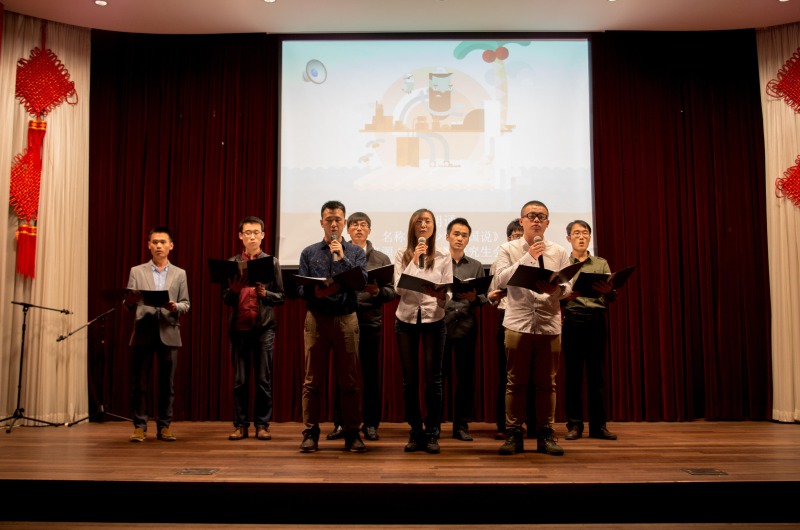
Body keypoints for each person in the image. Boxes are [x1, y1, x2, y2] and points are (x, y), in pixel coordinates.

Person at [493, 201, 572, 456]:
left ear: (547, 223)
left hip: (549, 324)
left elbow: (568, 287)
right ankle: (514, 434)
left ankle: (545, 434)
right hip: (518, 323)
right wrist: (529, 257)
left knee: (547, 384)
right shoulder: (508, 249)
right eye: (531, 216)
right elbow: (500, 280)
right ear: (522, 221)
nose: (536, 220)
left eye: (541, 216)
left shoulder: (559, 251)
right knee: (515, 383)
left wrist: (557, 289)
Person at [297, 200, 368, 453]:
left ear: (345, 223)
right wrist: (317, 292)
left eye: (338, 219)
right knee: (312, 380)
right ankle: (310, 432)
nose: (334, 224)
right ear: (321, 223)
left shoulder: (355, 252)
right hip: (317, 318)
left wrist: (342, 257)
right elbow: (300, 289)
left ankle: (352, 433)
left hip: (346, 318)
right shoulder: (309, 252)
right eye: (329, 220)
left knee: (349, 380)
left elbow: (361, 282)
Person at [327, 212, 396, 442]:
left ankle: (371, 424)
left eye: (363, 225)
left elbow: (391, 292)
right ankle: (341, 423)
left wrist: (377, 292)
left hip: (369, 321)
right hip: (344, 317)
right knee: (343, 373)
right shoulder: (338, 252)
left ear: (369, 230)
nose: (359, 228)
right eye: (355, 225)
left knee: (370, 374)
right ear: (348, 229)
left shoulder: (381, 258)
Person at [393, 209, 453, 454]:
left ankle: (432, 431)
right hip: (406, 318)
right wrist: (414, 260)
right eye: (419, 221)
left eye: (428, 221)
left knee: (433, 379)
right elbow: (399, 289)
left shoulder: (443, 255)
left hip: (434, 318)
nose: (424, 225)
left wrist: (441, 296)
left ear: (434, 226)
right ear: (413, 227)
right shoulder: (401, 254)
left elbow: (448, 291)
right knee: (409, 380)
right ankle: (415, 430)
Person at [124, 226, 190, 443]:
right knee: (140, 384)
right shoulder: (137, 271)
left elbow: (186, 304)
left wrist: (175, 307)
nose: (159, 246)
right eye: (155, 242)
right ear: (149, 245)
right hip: (143, 332)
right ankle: (139, 427)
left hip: (169, 331)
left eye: (163, 242)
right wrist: (129, 301)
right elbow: (129, 303)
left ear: (171, 246)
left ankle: (164, 426)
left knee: (167, 385)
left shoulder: (180, 273)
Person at [223, 216, 285, 442]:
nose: (252, 236)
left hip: (264, 328)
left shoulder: (271, 262)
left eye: (256, 232)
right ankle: (240, 425)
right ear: (240, 236)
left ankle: (262, 425)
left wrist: (265, 294)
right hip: (239, 328)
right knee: (240, 380)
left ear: (263, 235)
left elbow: (281, 296)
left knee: (263, 380)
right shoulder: (232, 263)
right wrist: (234, 291)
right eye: (247, 232)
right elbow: (225, 299)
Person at [561, 220, 617, 441]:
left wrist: (609, 291)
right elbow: (556, 296)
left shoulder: (601, 264)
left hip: (596, 320)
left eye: (585, 233)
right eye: (576, 233)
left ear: (590, 237)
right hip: (573, 320)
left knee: (597, 376)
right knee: (573, 376)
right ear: (569, 238)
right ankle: (574, 425)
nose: (581, 237)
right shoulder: (564, 264)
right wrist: (565, 297)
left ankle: (598, 426)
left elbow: (611, 296)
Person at [488, 218, 536, 440]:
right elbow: (492, 293)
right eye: (515, 236)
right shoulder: (502, 260)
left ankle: (534, 424)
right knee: (507, 377)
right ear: (509, 238)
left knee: (533, 377)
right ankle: (505, 425)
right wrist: (494, 296)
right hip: (507, 319)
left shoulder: (540, 256)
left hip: (533, 319)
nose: (519, 239)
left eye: (521, 235)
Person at [442, 217, 488, 442]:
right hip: (441, 325)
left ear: (468, 239)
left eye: (464, 235)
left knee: (465, 379)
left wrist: (474, 298)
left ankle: (461, 425)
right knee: (438, 378)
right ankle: (434, 425)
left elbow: (484, 297)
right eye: (456, 234)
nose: (460, 238)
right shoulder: (438, 262)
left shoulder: (476, 265)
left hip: (467, 327)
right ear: (447, 236)